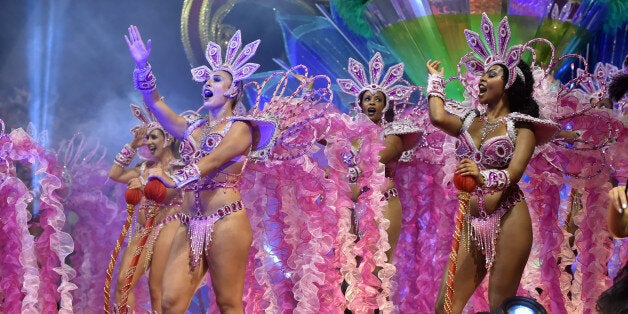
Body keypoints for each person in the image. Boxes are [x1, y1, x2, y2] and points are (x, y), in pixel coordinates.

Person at [425, 13, 560, 313]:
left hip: (510, 216)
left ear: (511, 81)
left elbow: (513, 173)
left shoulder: (522, 126)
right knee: (445, 306)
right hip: (474, 222)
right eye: (482, 74)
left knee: (500, 305)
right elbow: (437, 117)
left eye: (492, 73)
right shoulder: (470, 119)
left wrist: (482, 175)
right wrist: (434, 80)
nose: (482, 79)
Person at [124, 25, 260, 313]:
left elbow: (209, 163)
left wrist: (171, 179)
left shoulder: (241, 129)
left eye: (217, 79)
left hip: (226, 222)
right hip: (189, 222)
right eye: (207, 79)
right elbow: (156, 102)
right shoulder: (192, 128)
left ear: (234, 89)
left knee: (228, 303)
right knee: (170, 302)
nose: (208, 83)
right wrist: (142, 66)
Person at [108, 107, 183, 312]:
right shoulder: (143, 167)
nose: (148, 142)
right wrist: (132, 146)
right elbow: (115, 174)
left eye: (153, 137)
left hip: (169, 226)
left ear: (168, 138)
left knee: (157, 289)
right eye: (147, 138)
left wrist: (142, 186)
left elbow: (168, 194)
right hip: (144, 231)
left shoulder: (180, 168)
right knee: (123, 282)